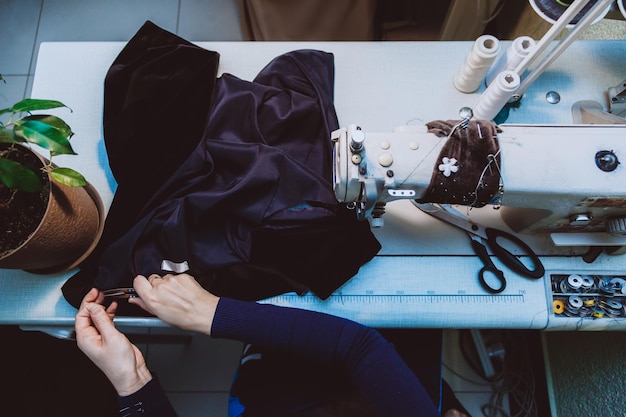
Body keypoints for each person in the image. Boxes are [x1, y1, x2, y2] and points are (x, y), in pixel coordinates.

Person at [75, 273, 468, 417]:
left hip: (275, 397)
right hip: (380, 372)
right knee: (420, 307)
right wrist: (211, 313)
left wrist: (131, 379)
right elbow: (360, 347)